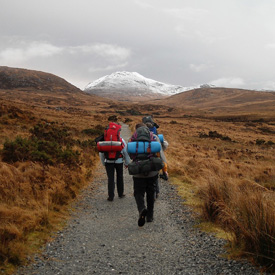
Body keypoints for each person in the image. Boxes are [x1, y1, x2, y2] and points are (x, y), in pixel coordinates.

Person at [128, 123, 168, 226]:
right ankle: (150, 216)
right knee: (151, 192)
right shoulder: (154, 137)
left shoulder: (133, 138)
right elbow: (160, 154)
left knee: (138, 193)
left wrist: (129, 163)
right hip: (152, 170)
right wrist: (164, 170)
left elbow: (129, 153)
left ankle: (142, 209)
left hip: (138, 171)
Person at [99, 124, 131, 201]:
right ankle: (120, 194)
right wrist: (127, 163)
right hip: (119, 161)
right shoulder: (121, 140)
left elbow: (101, 152)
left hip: (108, 161)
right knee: (120, 176)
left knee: (110, 178)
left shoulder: (104, 140)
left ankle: (111, 196)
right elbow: (126, 152)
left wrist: (103, 163)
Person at [142, 116, 169, 199]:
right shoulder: (155, 132)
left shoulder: (141, 130)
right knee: (155, 175)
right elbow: (164, 145)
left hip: (143, 155)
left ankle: (143, 192)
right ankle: (156, 192)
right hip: (155, 155)